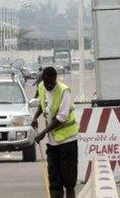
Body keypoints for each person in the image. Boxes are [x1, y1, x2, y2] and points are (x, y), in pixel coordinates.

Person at [31, 67, 79, 198]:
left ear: (56, 79)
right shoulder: (41, 87)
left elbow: (61, 117)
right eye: (47, 82)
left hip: (68, 140)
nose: (50, 85)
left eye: (53, 82)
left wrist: (43, 133)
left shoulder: (64, 91)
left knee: (69, 181)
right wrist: (35, 117)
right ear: (43, 80)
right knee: (54, 180)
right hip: (53, 143)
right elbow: (42, 103)